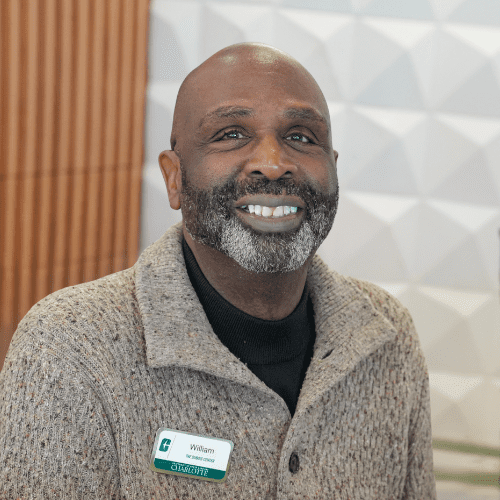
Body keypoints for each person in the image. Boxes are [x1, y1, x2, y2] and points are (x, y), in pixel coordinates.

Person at [0, 42, 436, 499]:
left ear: (333, 168)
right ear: (174, 178)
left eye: (302, 137)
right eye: (231, 134)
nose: (273, 164)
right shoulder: (70, 349)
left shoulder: (388, 335)